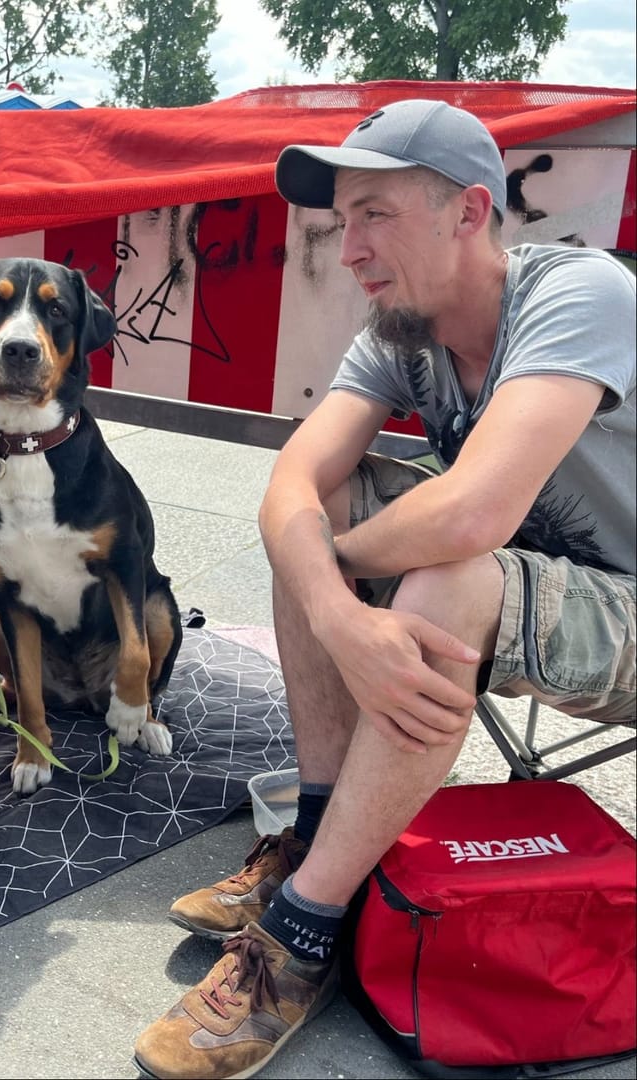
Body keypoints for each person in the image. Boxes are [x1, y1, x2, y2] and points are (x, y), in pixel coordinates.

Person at [134, 99, 636, 1079]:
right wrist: (330, 603)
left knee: (430, 568)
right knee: (323, 513)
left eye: (375, 214)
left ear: (467, 211)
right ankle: (319, 833)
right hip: (516, 591)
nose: (347, 245)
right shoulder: (400, 330)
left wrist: (331, 566)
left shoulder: (584, 292)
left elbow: (469, 517)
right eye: (339, 219)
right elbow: (291, 481)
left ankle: (302, 936)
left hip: (627, 613)